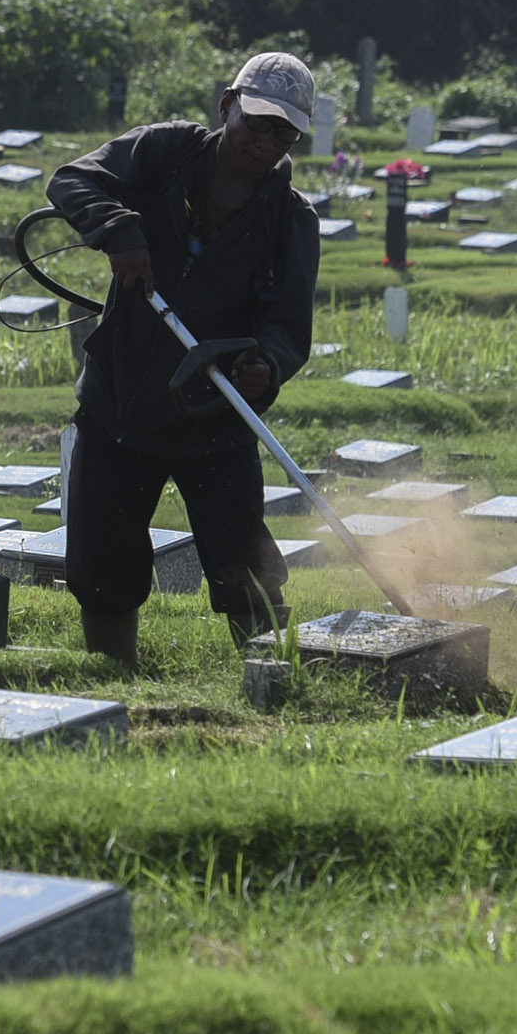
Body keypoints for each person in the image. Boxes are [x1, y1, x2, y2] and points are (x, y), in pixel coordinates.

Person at [43, 51, 322, 670]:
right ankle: (114, 681)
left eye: (285, 131)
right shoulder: (164, 153)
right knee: (103, 563)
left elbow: (287, 331)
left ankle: (273, 682)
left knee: (246, 568)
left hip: (215, 416)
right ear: (228, 105)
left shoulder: (292, 221)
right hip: (119, 404)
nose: (266, 140)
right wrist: (121, 232)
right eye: (258, 120)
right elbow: (69, 180)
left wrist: (265, 369)